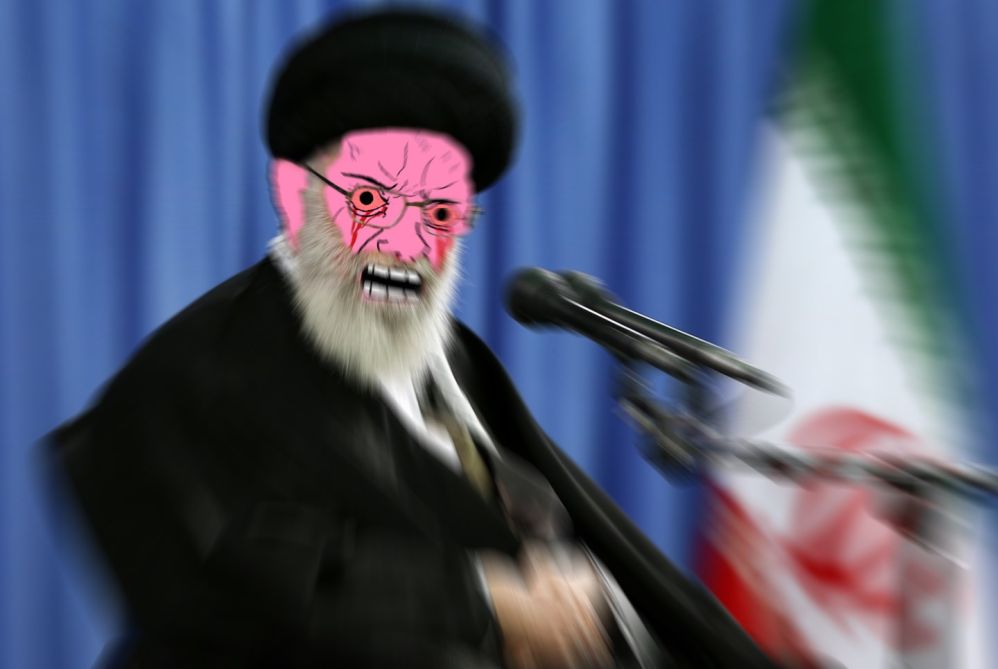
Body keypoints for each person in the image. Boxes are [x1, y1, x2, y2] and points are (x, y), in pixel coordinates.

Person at [46, 9, 775, 669]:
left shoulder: (453, 361)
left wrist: (566, 594)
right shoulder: (195, 373)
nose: (406, 243)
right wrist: (484, 601)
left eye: (439, 213)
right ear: (294, 198)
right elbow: (223, 582)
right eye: (371, 200)